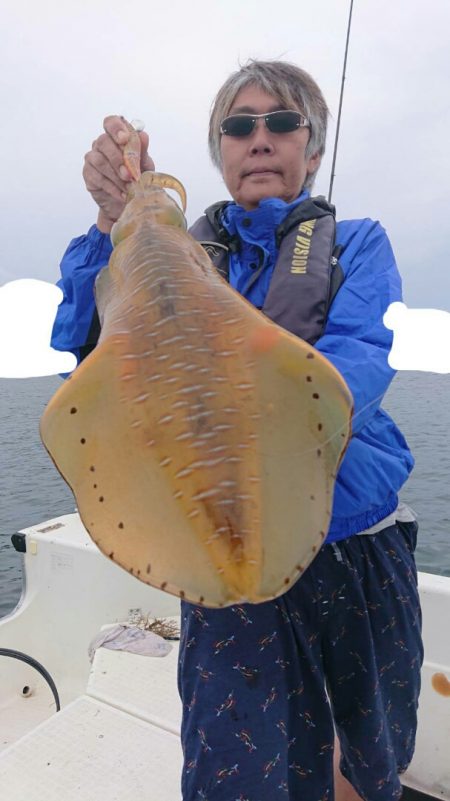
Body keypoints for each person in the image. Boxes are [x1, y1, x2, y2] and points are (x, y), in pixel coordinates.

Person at [51, 60, 423, 801]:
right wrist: (115, 218)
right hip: (217, 559)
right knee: (236, 766)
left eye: (281, 123)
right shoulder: (173, 258)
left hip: (355, 544)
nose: (260, 139)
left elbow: (352, 373)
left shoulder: (357, 243)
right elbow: (87, 340)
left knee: (368, 745)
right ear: (219, 149)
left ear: (311, 149)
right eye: (239, 125)